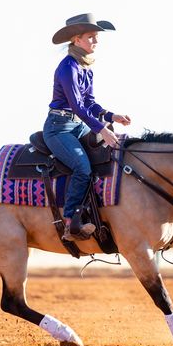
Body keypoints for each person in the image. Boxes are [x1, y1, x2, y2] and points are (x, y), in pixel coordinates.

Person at [43, 13, 131, 241]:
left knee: (110, 152)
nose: (96, 41)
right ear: (76, 39)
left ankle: (95, 210)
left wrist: (112, 115)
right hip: (59, 128)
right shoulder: (68, 67)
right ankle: (71, 222)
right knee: (82, 168)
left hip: (76, 125)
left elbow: (89, 103)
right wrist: (102, 129)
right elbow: (77, 106)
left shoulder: (85, 67)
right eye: (91, 37)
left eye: (95, 37)